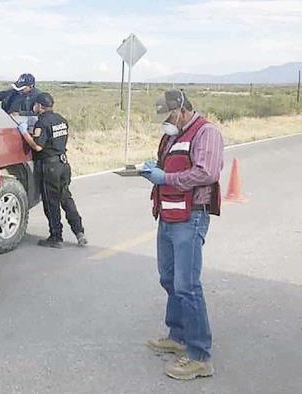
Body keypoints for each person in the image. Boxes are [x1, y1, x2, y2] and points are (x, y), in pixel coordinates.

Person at [141, 90, 224, 380]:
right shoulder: (173, 135)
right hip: (168, 213)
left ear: (180, 110)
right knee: (169, 278)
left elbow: (207, 173)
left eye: (167, 115)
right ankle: (177, 336)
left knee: (187, 285)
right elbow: (171, 165)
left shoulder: (206, 133)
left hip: (191, 216)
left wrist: (167, 179)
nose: (165, 121)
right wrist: (153, 171)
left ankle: (200, 355)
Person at [16, 92, 87, 248]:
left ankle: (56, 237)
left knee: (51, 202)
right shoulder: (61, 120)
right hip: (63, 164)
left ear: (40, 106)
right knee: (66, 198)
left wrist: (24, 133)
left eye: (35, 105)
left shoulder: (42, 123)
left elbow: (37, 146)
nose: (34, 107)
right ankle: (79, 231)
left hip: (49, 167)